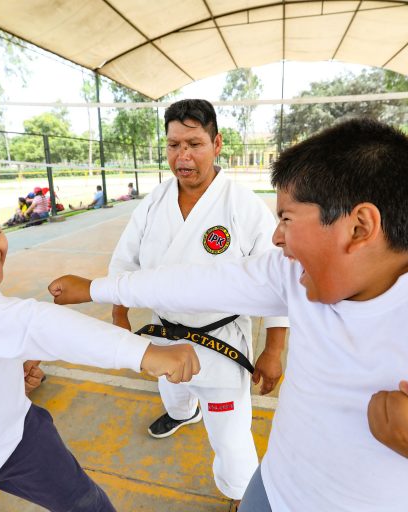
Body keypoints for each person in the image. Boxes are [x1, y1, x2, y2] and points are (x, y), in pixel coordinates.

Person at [48, 118, 408, 512]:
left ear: (360, 226)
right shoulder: (291, 278)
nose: (276, 237)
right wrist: (96, 287)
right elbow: (190, 279)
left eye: (288, 219)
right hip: (273, 493)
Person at [0, 172, 200, 512]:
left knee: (88, 505)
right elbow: (33, 324)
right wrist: (144, 353)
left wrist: (5, 377)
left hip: (15, 433)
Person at [96, 99, 289, 506]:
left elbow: (275, 277)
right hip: (164, 333)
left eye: (194, 144)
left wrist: (274, 349)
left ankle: (242, 494)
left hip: (220, 342)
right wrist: (119, 315)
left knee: (232, 439)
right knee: (172, 391)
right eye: (173, 145)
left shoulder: (242, 205)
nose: (182, 156)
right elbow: (124, 259)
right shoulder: (154, 201)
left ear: (217, 144)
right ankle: (184, 413)